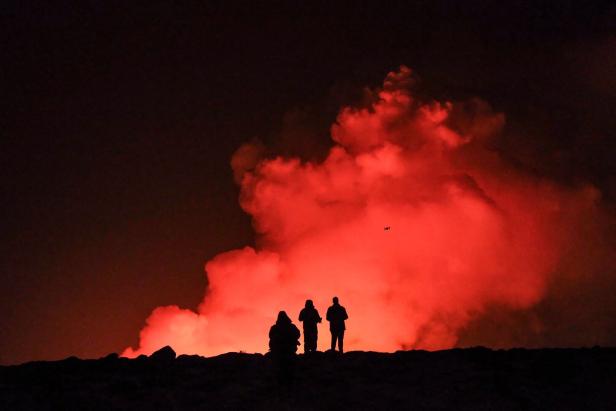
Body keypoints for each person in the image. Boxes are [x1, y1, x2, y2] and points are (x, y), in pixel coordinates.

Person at [268, 311, 301, 384]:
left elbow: (270, 336)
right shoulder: (291, 326)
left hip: (284, 351)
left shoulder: (275, 327)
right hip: (285, 351)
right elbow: (298, 334)